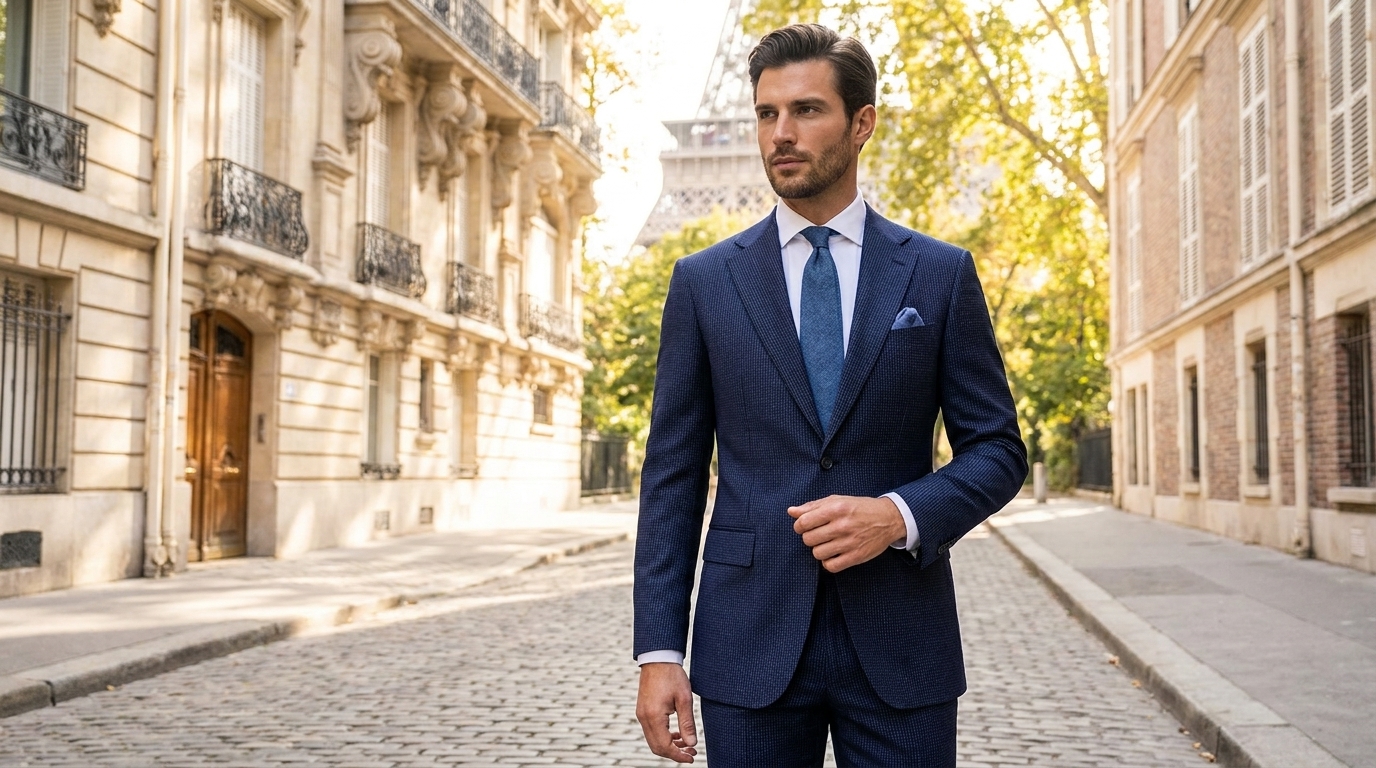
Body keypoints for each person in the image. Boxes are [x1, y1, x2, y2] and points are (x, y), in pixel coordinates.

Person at [632, 23, 1028, 767]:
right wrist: (658, 649)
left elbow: (999, 450)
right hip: (748, 641)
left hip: (900, 639)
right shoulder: (704, 282)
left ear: (861, 123)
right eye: (766, 113)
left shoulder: (938, 275)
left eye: (807, 110)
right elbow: (673, 476)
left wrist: (898, 515)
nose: (781, 133)